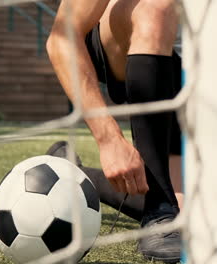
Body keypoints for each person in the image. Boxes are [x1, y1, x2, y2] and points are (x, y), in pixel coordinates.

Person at [46, 0, 183, 262]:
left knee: (201, 215)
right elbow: (61, 38)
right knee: (157, 7)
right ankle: (159, 209)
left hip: (210, 84)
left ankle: (74, 174)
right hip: (145, 47)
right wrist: (109, 139)